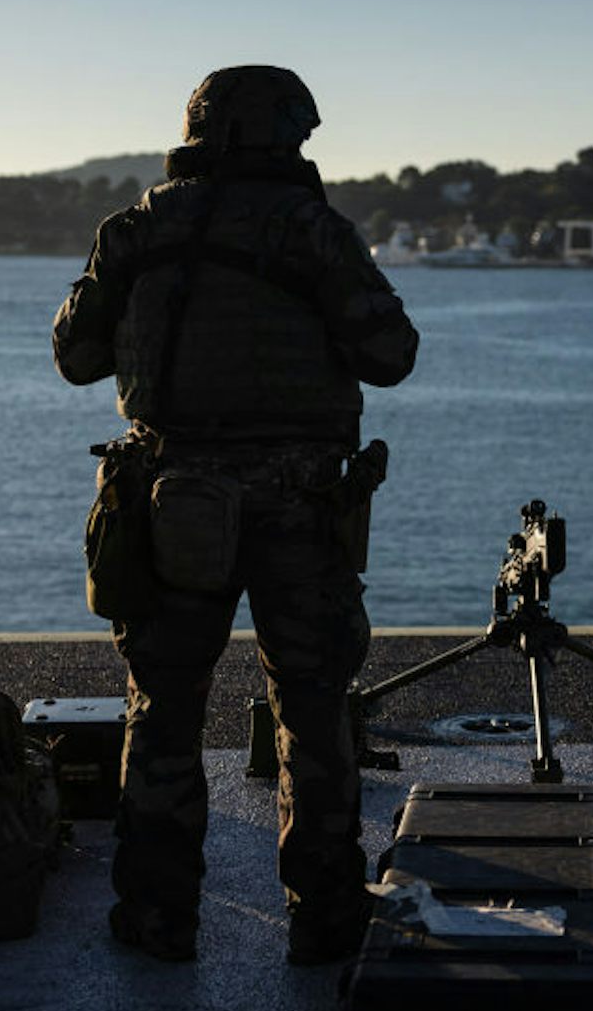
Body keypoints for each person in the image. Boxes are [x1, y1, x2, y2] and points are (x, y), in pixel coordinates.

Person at [52, 66, 418, 963]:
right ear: (286, 138)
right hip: (299, 503)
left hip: (172, 499)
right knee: (311, 705)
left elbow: (75, 354)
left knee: (163, 710)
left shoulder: (135, 228)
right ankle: (326, 911)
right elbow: (391, 354)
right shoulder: (315, 232)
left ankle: (155, 912)